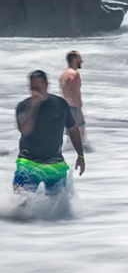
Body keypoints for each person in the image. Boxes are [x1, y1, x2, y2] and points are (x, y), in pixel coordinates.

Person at [14, 69, 85, 203]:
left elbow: (73, 129)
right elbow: (24, 129)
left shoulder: (60, 104)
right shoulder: (23, 106)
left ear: (46, 85)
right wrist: (34, 106)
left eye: (38, 88)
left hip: (54, 163)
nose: (35, 91)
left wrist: (80, 155)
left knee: (59, 208)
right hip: (28, 163)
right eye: (32, 88)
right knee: (20, 205)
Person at [58, 50, 85, 143]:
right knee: (79, 138)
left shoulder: (63, 74)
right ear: (74, 59)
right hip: (74, 108)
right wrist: (78, 110)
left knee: (70, 139)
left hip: (66, 107)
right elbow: (73, 92)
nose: (81, 61)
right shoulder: (74, 74)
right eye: (79, 58)